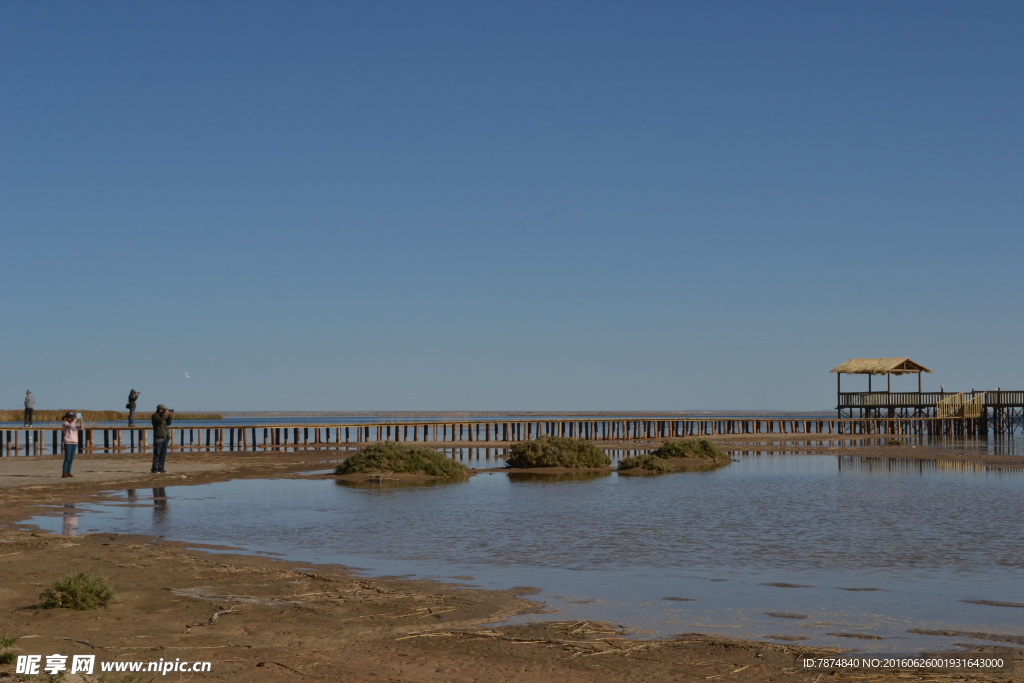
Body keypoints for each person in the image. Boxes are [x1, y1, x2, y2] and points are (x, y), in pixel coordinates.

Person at [151, 404, 173, 474]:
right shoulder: (155, 415)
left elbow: (168, 423)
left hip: (166, 437)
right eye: (163, 410)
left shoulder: (164, 416)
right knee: (157, 454)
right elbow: (160, 421)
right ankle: (154, 469)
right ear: (159, 409)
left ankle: (161, 468)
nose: (164, 411)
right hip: (159, 436)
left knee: (163, 454)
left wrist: (169, 416)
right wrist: (164, 415)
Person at [61, 412, 81, 478]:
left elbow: (81, 428)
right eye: (70, 417)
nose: (71, 418)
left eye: (72, 417)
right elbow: (71, 426)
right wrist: (75, 420)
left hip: (74, 443)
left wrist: (81, 421)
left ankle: (69, 471)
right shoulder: (65, 424)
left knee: (71, 458)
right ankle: (64, 472)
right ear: (66, 417)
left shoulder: (74, 424)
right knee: (67, 458)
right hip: (68, 443)